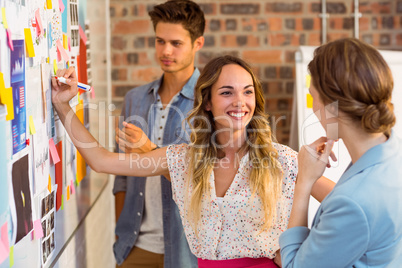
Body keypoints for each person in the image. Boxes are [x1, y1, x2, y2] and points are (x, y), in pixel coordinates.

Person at [51, 55, 332, 268]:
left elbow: (346, 203)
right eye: (227, 92)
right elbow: (101, 161)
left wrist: (306, 251)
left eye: (247, 92)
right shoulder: (183, 160)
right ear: (207, 102)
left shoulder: (281, 159)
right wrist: (64, 107)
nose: (240, 101)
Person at [279, 38, 402, 267]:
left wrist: (304, 184)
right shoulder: (390, 150)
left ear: (332, 107)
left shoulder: (354, 202)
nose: (313, 108)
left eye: (312, 97)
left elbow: (296, 265)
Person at [112, 0, 205, 267]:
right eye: (159, 41)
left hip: (189, 251)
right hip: (135, 247)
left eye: (176, 43)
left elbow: (206, 180)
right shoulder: (135, 99)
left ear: (197, 43)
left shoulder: (208, 103)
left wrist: (149, 151)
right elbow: (122, 175)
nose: (166, 51)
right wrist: (121, 231)